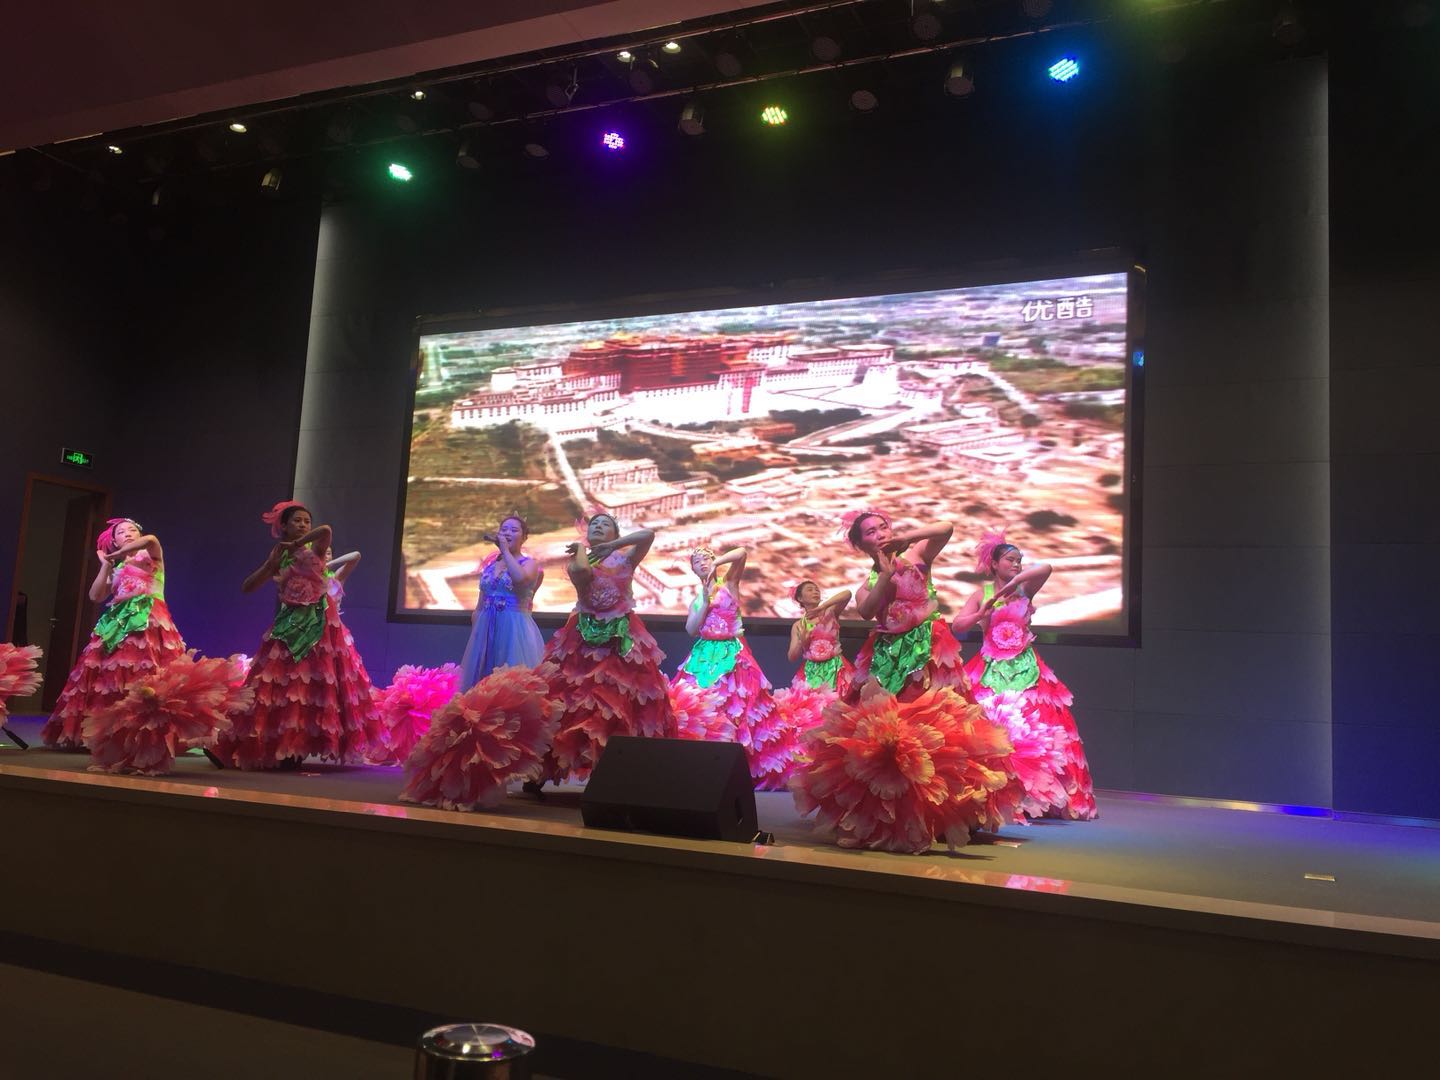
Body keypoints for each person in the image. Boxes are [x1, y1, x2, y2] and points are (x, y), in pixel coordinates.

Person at [216, 500, 382, 769]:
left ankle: (296, 747)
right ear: (284, 526)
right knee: (274, 683)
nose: (304, 524)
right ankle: (267, 744)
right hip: (288, 623)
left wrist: (294, 544)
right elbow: (248, 587)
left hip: (319, 625)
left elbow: (326, 530)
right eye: (297, 521)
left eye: (307, 521)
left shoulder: (315, 551)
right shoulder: (280, 556)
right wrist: (270, 565)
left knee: (309, 685)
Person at [951, 530, 1097, 820]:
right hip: (990, 668)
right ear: (994, 564)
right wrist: (981, 613)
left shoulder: (1024, 590)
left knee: (1035, 729)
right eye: (1010, 559)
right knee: (990, 728)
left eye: (1019, 559)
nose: (1017, 564)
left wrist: (1013, 584)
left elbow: (1047, 568)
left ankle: (1036, 796)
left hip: (1027, 668)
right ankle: (994, 795)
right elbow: (957, 626)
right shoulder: (982, 594)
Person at [535, 512, 674, 787]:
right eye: (594, 524)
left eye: (605, 524)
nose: (598, 526)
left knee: (620, 701)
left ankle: (615, 772)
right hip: (582, 638)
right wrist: (581, 550)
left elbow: (648, 536)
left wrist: (614, 545)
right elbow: (582, 573)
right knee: (572, 700)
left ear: (615, 533)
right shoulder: (580, 559)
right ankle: (544, 771)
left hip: (621, 636)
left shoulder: (626, 558)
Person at [42, 518, 185, 750]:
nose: (127, 533)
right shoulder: (116, 566)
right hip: (114, 623)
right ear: (114, 541)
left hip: (146, 619)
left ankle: (143, 734)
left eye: (132, 530)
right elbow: (95, 596)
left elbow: (151, 539)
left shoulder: (151, 555)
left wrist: (113, 555)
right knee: (109, 678)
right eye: (121, 532)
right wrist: (106, 565)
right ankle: (105, 732)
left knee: (143, 674)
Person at [671, 545, 793, 788]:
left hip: (732, 653)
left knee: (737, 706)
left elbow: (741, 553)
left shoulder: (729, 583)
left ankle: (739, 766)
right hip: (703, 656)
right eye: (697, 561)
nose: (703, 562)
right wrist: (705, 601)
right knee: (701, 708)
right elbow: (691, 629)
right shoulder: (697, 600)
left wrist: (716, 564)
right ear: (693, 570)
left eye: (707, 558)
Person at [845, 510, 968, 702]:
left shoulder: (916, 555)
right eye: (871, 532)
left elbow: (946, 528)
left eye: (883, 527)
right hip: (889, 652)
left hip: (927, 644)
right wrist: (885, 576)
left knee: (929, 705)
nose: (880, 535)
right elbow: (866, 612)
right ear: (861, 545)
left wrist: (907, 538)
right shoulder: (867, 587)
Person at [457, 515, 544, 690]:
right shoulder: (490, 567)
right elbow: (480, 604)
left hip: (514, 629)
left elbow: (520, 579)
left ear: (524, 537)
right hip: (486, 626)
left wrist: (505, 551)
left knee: (511, 681)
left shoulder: (529, 564)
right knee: (481, 681)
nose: (507, 533)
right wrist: (477, 634)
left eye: (514, 530)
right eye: (504, 529)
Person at [786, 581, 853, 694]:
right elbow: (791, 657)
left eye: (816, 589)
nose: (815, 592)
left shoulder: (829, 613)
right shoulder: (799, 625)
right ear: (800, 598)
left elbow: (847, 594)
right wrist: (802, 642)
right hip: (812, 671)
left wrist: (822, 607)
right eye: (810, 589)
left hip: (835, 667)